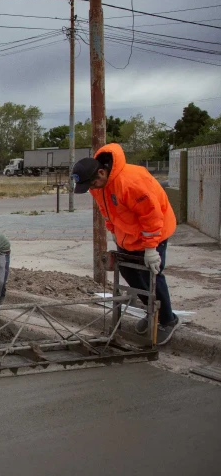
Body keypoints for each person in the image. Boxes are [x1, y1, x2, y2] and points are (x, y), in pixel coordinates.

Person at [72, 143, 179, 344]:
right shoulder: (98, 186)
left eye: (92, 184)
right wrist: (113, 231)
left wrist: (151, 248)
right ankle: (152, 311)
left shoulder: (131, 182)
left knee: (152, 275)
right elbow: (106, 210)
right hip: (128, 235)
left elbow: (151, 216)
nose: (91, 189)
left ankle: (167, 320)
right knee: (130, 273)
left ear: (101, 173)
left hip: (153, 233)